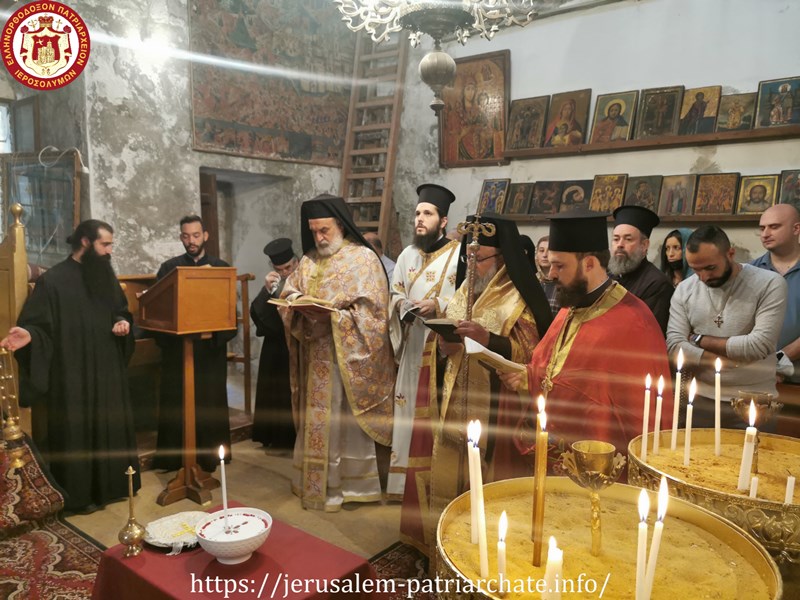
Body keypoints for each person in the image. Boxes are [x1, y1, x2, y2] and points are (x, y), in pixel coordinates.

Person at [400, 213, 553, 553]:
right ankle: (444, 548)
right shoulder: (466, 291)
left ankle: (482, 556)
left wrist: (489, 340)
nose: (472, 266)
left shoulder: (518, 297)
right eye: (468, 258)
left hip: (496, 415)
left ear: (502, 258)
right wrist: (444, 347)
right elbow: (447, 342)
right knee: (448, 478)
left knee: (485, 488)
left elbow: (534, 354)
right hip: (453, 404)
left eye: (479, 258)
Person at [505, 210, 673, 473]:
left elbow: (635, 409)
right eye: (550, 265)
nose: (551, 275)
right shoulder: (571, 305)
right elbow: (552, 368)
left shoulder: (634, 320)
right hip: (553, 450)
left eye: (560, 266)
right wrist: (527, 377)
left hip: (601, 460)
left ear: (590, 264)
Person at [0, 220, 140, 513]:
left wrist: (122, 322)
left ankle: (116, 486)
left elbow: (120, 310)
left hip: (107, 370)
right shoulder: (54, 281)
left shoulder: (105, 275)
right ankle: (79, 495)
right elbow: (38, 325)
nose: (110, 251)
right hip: (72, 373)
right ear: (86, 242)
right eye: (105, 244)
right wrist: (29, 335)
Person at [280, 194, 394, 511]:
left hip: (345, 361)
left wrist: (337, 317)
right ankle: (316, 484)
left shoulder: (364, 260)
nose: (318, 238)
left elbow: (374, 318)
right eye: (314, 231)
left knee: (343, 426)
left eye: (324, 230)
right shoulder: (308, 261)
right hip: (313, 356)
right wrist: (294, 304)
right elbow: (290, 291)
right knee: (316, 422)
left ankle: (348, 486)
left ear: (340, 225)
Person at [667, 226, 787, 430]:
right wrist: (719, 360)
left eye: (710, 268)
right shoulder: (685, 290)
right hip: (702, 399)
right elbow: (674, 346)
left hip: (755, 401)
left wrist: (698, 339)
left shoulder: (769, 284)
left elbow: (759, 346)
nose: (703, 278)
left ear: (730, 253)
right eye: (696, 269)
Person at [386, 184, 460, 501]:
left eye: (427, 214)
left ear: (442, 220)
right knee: (405, 409)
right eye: (417, 213)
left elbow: (463, 299)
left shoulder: (457, 255)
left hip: (439, 344)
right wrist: (403, 306)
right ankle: (402, 487)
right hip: (412, 339)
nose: (420, 219)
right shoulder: (407, 255)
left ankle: (431, 484)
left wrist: (439, 306)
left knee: (431, 411)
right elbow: (395, 293)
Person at [153, 215, 235, 473]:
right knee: (177, 403)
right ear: (181, 237)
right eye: (186, 236)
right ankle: (175, 459)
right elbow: (159, 307)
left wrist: (216, 336)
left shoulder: (221, 268)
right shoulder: (169, 269)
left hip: (210, 352)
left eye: (196, 235)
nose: (191, 241)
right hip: (180, 351)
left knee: (209, 401)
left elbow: (229, 311)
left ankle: (212, 457)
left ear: (205, 236)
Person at [250, 238, 299, 450]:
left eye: (289, 267)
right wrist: (266, 290)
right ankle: (273, 436)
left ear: (296, 262)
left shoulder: (306, 275)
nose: (286, 272)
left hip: (298, 343)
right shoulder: (274, 280)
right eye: (281, 269)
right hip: (276, 345)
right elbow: (258, 314)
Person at [751, 204, 800, 383]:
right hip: (756, 377)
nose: (765, 234)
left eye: (774, 227)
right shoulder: (749, 271)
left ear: (796, 228)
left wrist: (779, 360)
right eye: (762, 228)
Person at [609, 206, 674, 335]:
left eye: (628, 239)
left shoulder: (657, 284)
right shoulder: (604, 276)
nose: (620, 245)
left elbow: (648, 333)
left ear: (644, 245)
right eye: (616, 239)